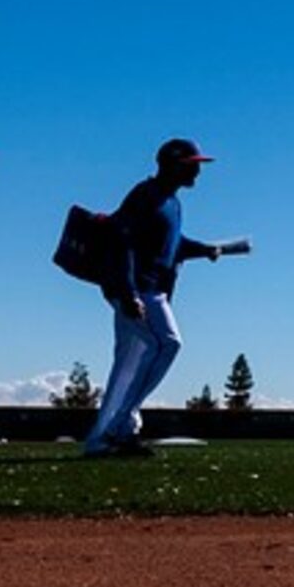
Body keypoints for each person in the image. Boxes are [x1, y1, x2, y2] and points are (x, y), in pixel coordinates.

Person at [82, 138, 238, 458]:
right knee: (166, 344)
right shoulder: (146, 195)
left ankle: (113, 436)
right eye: (193, 164)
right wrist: (128, 293)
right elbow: (121, 242)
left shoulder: (170, 201)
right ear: (174, 164)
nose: (198, 170)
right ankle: (117, 426)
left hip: (147, 290)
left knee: (129, 364)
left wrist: (203, 249)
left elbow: (170, 243)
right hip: (139, 291)